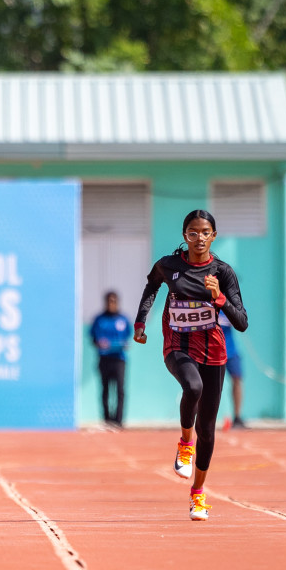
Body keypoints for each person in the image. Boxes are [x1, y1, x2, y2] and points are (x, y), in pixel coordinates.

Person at [134, 210, 248, 522]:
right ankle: (185, 442)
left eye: (205, 232)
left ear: (214, 236)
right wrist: (140, 321)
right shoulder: (169, 265)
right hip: (178, 345)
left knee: (208, 431)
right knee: (192, 387)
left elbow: (242, 323)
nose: (199, 238)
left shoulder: (223, 272)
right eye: (193, 232)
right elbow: (151, 287)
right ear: (185, 235)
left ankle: (198, 495)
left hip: (213, 350)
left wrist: (219, 298)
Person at [89, 291, 130, 428]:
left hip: (119, 360)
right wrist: (100, 344)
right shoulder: (99, 320)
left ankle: (118, 421)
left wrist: (123, 345)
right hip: (104, 359)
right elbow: (93, 339)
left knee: (120, 390)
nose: (111, 304)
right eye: (109, 301)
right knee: (105, 389)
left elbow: (128, 339)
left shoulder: (123, 320)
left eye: (114, 301)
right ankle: (107, 419)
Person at [218, 310, 246, 428]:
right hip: (214, 352)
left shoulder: (228, 302)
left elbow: (241, 319)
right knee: (212, 384)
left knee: (237, 380)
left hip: (231, 351)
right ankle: (208, 418)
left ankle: (237, 417)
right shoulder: (207, 302)